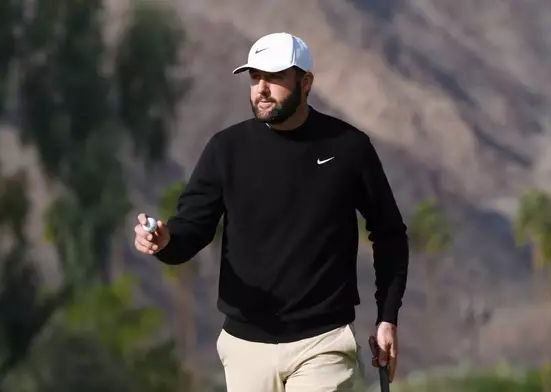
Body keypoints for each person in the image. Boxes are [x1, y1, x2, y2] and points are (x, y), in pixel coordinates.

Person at [133, 32, 409, 392]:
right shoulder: (226, 150)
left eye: (274, 77)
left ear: (305, 82)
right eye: (254, 77)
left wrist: (387, 317)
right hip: (246, 346)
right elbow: (191, 230)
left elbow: (389, 234)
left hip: (322, 343)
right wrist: (165, 240)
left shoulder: (349, 147)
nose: (261, 88)